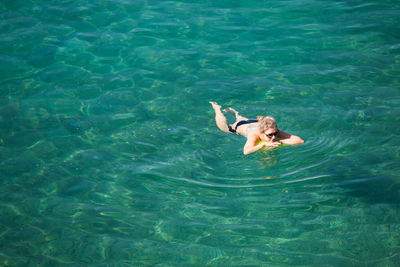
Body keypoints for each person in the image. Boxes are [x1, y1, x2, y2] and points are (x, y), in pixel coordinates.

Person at [209, 101, 304, 155]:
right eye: (270, 135)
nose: (274, 136)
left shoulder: (274, 131)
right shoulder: (254, 136)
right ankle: (217, 109)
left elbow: (300, 141)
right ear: (262, 132)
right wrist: (262, 145)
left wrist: (280, 141)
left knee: (242, 119)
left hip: (253, 122)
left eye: (275, 133)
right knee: (225, 128)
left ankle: (236, 114)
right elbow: (246, 152)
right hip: (240, 126)